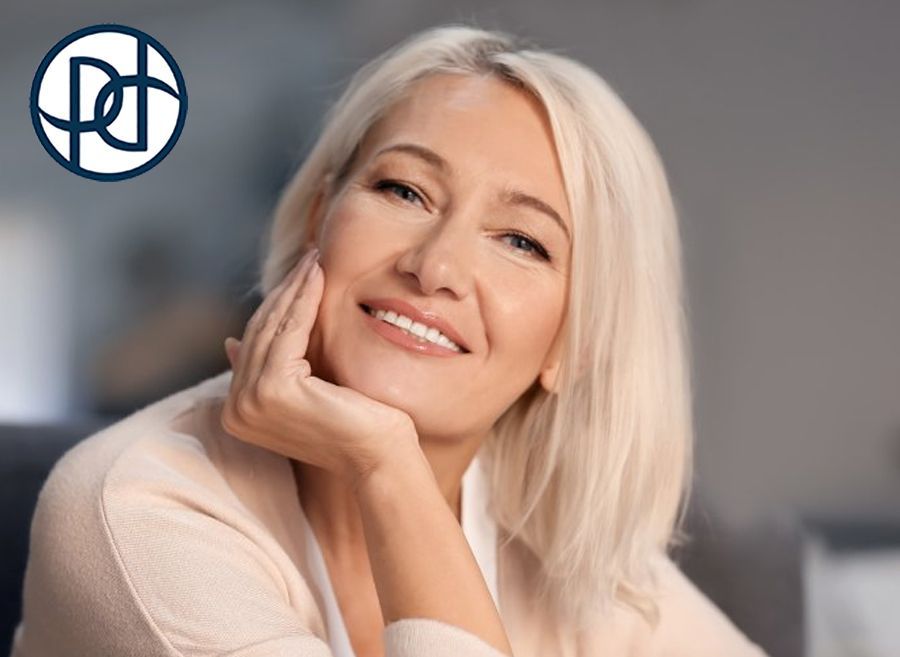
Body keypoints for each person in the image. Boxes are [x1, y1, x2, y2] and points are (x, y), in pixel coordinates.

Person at [10, 23, 770, 657]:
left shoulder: (553, 546)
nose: (435, 265)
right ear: (318, 218)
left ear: (573, 344)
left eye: (521, 241)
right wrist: (388, 464)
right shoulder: (133, 508)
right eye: (403, 191)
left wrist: (387, 468)